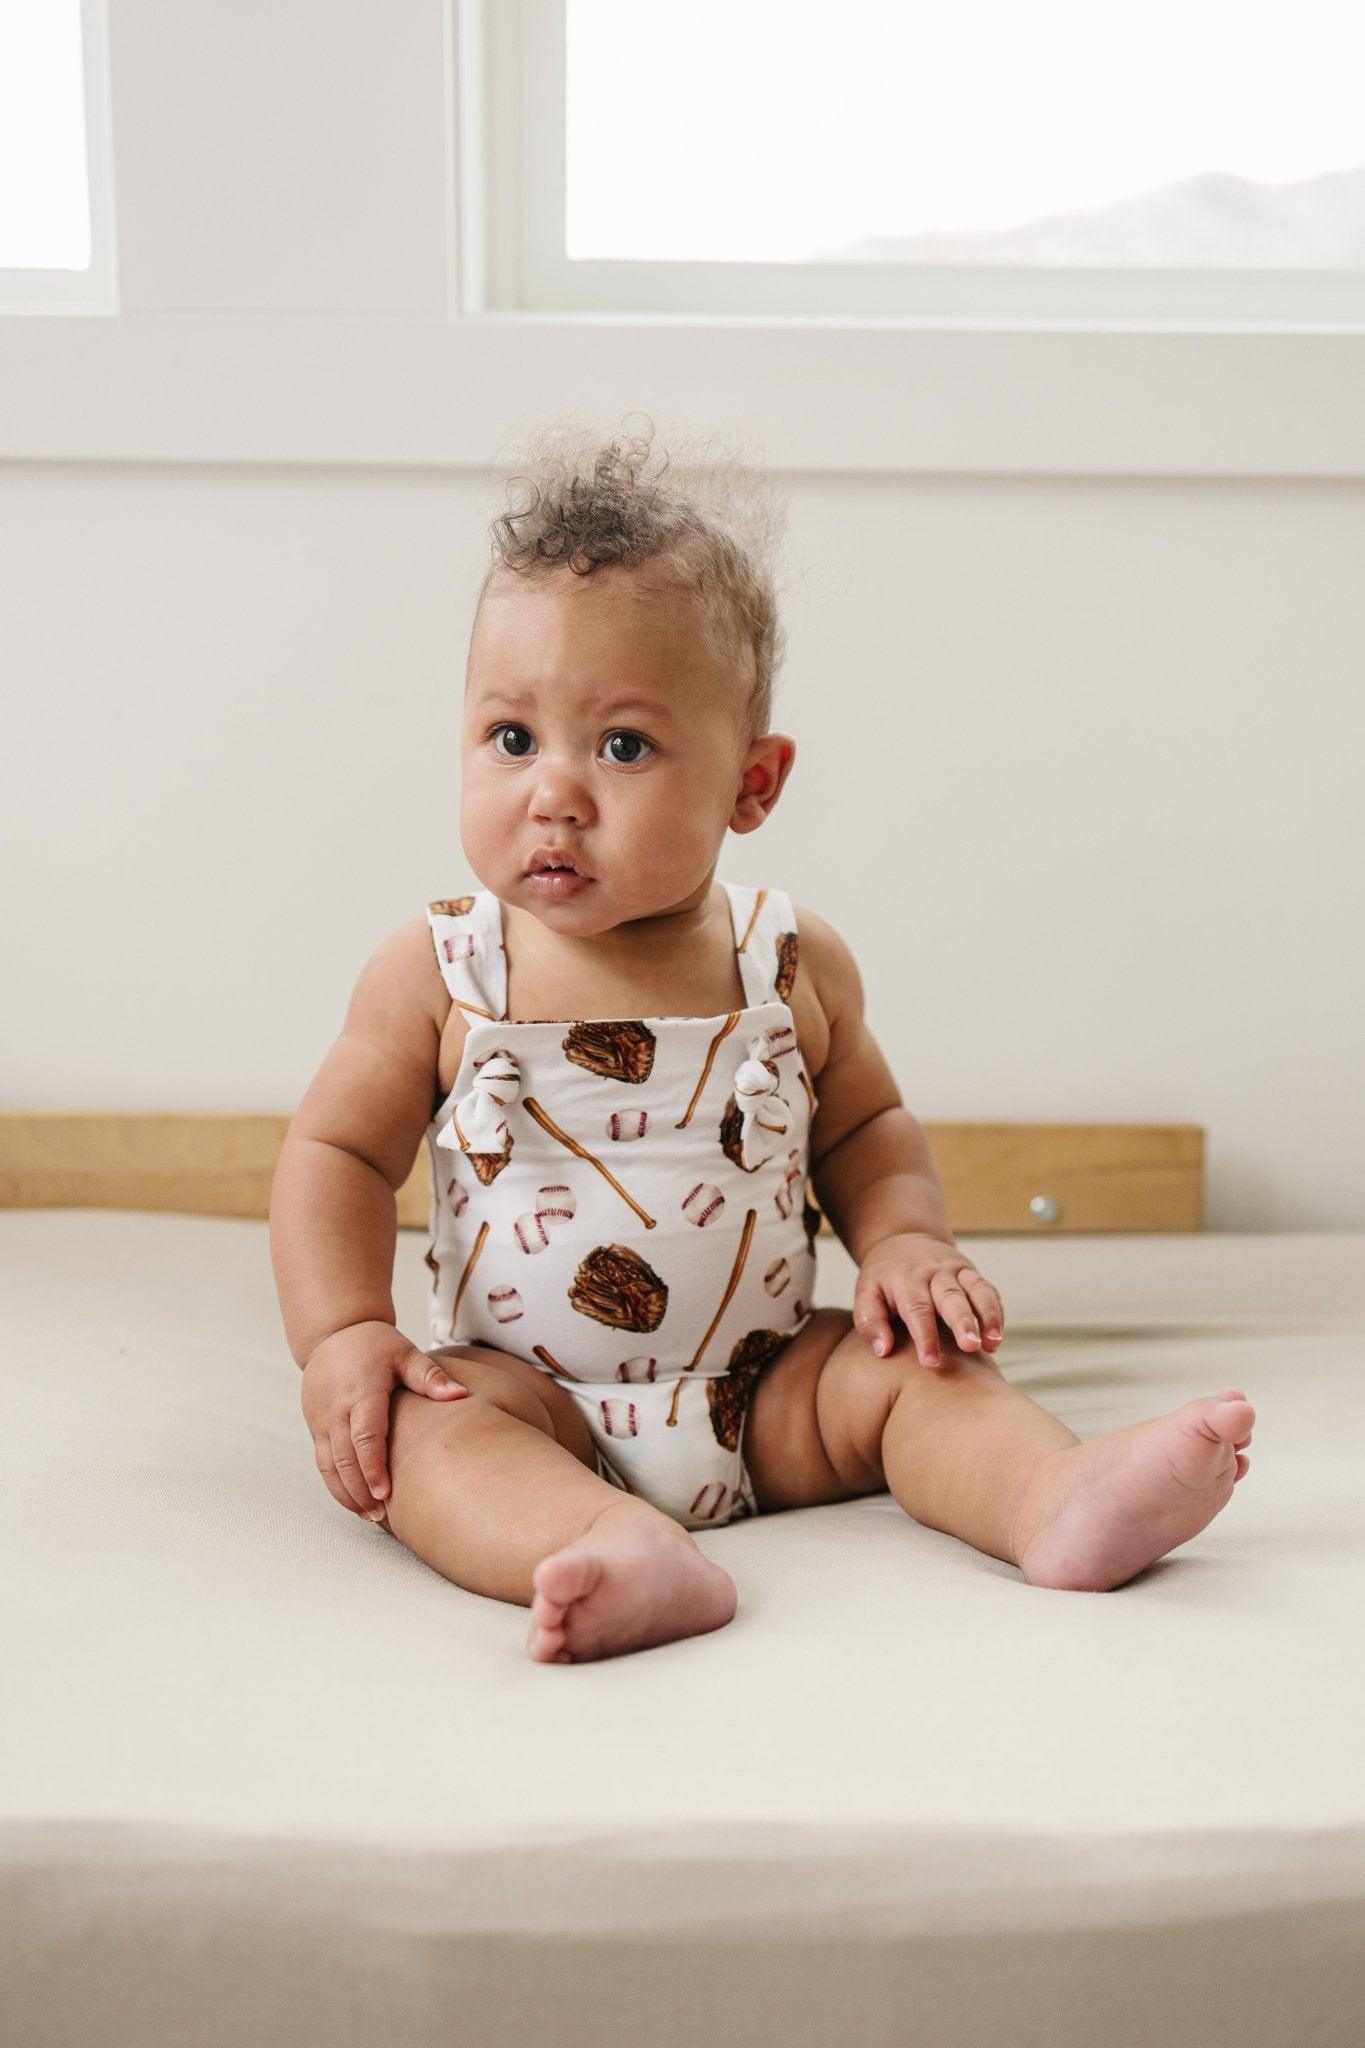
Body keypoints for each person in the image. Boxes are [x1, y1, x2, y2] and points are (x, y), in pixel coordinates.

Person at [269, 418, 1255, 1665]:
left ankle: (1050, 1498)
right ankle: (603, 1543)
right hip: (531, 1396)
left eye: (623, 745)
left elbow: (867, 1128)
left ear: (752, 782)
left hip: (776, 1386)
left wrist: (904, 1243)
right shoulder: (442, 968)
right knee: (425, 1435)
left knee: (914, 1376)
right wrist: (345, 1333)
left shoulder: (788, 962)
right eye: (512, 737)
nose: (554, 791)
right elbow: (337, 1156)